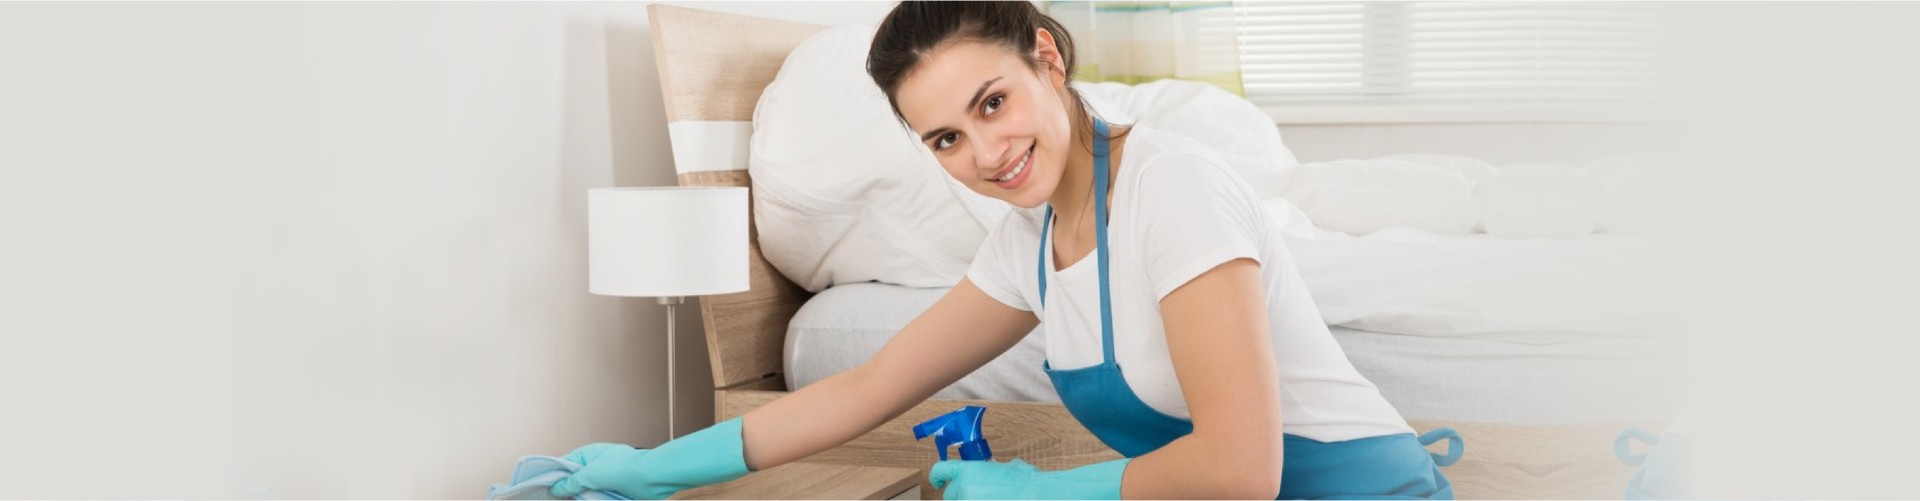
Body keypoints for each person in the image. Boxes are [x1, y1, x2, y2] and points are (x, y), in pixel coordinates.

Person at [550, 2, 1456, 499]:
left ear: (1047, 60)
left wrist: (1047, 492)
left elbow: (1239, 470)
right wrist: (647, 468)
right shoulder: (1026, 243)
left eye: (991, 103)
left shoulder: (1168, 188)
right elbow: (863, 390)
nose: (984, 155)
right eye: (943, 138)